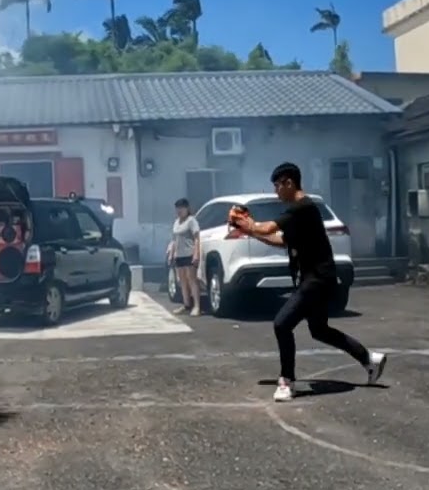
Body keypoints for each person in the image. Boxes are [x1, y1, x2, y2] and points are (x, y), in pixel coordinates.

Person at [231, 162, 387, 402]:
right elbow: (280, 240)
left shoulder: (301, 207)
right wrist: (252, 231)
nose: (276, 192)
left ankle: (287, 381)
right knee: (319, 330)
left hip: (316, 280)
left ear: (289, 183)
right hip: (319, 279)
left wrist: (248, 225)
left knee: (282, 324)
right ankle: (369, 359)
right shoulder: (299, 212)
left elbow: (268, 227)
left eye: (277, 186)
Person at [166, 198, 201, 316]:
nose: (179, 210)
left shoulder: (191, 221)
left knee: (192, 280)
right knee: (182, 281)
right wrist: (171, 253)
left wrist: (196, 254)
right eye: (177, 208)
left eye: (181, 208)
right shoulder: (176, 222)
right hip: (179, 255)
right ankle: (186, 304)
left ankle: (196, 306)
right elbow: (174, 240)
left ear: (187, 208)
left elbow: (197, 238)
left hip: (189, 254)